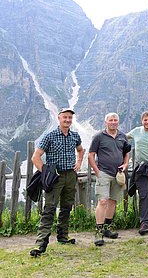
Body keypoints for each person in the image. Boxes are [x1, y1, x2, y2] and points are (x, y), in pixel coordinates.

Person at [30, 108, 84, 257]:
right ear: (59, 118)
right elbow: (36, 157)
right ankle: (41, 244)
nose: (67, 120)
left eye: (70, 118)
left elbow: (80, 150)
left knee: (67, 206)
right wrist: (46, 173)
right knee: (49, 209)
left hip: (70, 175)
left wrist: (79, 162)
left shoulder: (75, 136)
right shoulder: (50, 136)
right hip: (56, 177)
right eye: (65, 117)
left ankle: (63, 236)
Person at [88, 112, 130, 246]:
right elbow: (91, 155)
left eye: (115, 120)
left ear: (118, 122)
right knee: (102, 201)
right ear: (106, 122)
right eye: (110, 120)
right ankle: (98, 231)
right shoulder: (99, 137)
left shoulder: (123, 136)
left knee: (112, 201)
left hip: (118, 174)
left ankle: (107, 228)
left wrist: (126, 164)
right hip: (104, 173)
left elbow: (126, 153)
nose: (113, 122)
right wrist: (97, 171)